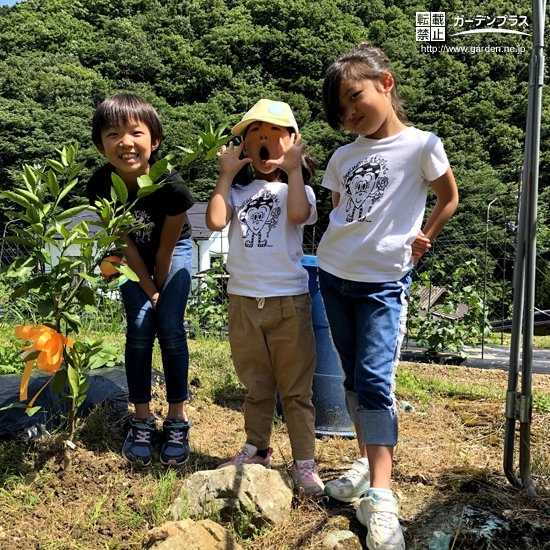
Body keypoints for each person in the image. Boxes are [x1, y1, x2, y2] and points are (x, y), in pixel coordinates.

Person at [317, 44, 459, 549]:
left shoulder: (422, 145)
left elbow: (449, 196)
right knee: (354, 377)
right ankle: (365, 460)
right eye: (341, 111)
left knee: (376, 380)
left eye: (355, 97)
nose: (350, 113)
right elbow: (342, 209)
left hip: (383, 282)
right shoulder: (343, 155)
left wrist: (428, 235)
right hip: (334, 275)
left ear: (386, 83)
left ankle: (380, 496)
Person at [205, 99, 323, 497]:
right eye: (256, 137)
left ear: (293, 141)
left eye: (275, 136)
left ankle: (304, 462)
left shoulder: (300, 190)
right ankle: (256, 449)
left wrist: (292, 169)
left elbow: (295, 216)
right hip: (243, 300)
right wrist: (224, 175)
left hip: (289, 301)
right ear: (244, 146)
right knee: (256, 385)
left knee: (295, 389)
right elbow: (216, 221)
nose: (265, 144)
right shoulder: (238, 192)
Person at [87, 93, 195, 468]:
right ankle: (142, 418)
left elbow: (166, 249)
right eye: (113, 133)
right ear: (101, 144)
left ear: (155, 140)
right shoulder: (100, 185)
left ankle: (178, 417)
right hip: (131, 257)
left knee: (169, 325)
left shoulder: (171, 184)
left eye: (136, 132)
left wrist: (160, 286)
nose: (126, 142)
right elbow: (123, 244)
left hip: (173, 252)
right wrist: (147, 288)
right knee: (138, 326)